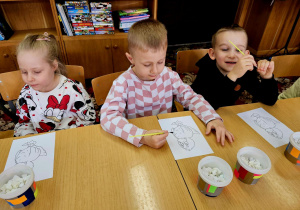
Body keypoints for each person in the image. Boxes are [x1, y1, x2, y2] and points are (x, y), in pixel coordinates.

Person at [100, 19, 234, 148]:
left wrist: (212, 118)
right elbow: (108, 118)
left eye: (160, 61)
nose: (155, 70)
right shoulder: (122, 83)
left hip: (164, 134)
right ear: (131, 58)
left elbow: (191, 97)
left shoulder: (169, 75)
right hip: (137, 137)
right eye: (147, 64)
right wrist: (142, 136)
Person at [14, 32, 96, 136]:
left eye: (37, 72)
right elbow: (23, 122)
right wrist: (28, 136)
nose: (29, 78)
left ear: (54, 66)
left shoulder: (73, 90)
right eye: (24, 72)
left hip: (72, 139)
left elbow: (88, 120)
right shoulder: (26, 92)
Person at [191, 25, 278, 110]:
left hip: (226, 113)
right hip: (197, 110)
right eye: (225, 49)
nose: (232, 55)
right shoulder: (207, 68)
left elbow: (269, 100)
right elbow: (207, 106)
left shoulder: (247, 70)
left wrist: (267, 78)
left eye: (238, 50)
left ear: (246, 54)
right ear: (212, 54)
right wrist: (233, 76)